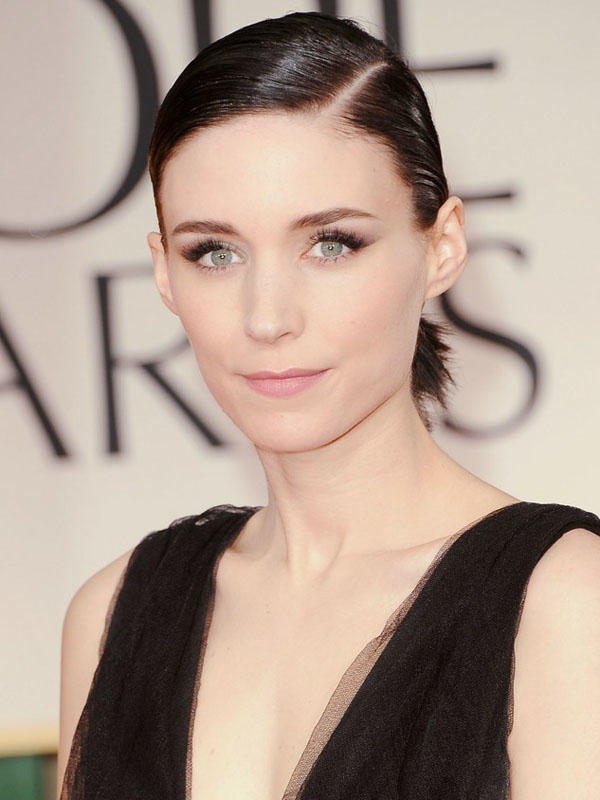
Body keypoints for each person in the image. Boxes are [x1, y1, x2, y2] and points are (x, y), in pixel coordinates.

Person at [57, 11, 600, 800]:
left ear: (442, 246)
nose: (267, 317)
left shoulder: (567, 604)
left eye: (331, 244)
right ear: (165, 272)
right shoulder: (113, 616)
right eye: (215, 252)